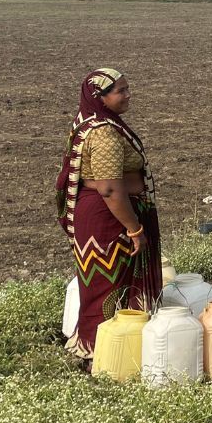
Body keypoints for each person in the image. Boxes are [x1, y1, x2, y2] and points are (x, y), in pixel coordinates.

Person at [56, 68, 162, 359]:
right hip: (109, 219)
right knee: (110, 287)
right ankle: (104, 354)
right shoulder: (103, 133)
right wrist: (134, 228)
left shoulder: (88, 121)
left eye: (128, 88)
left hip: (100, 215)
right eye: (120, 91)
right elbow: (110, 189)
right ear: (99, 97)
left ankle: (105, 351)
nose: (128, 95)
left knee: (103, 286)